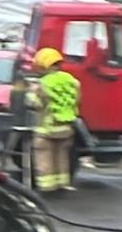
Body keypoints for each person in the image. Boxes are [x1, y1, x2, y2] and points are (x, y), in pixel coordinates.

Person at [23, 47, 81, 194]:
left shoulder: (43, 84)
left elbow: (35, 104)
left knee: (45, 158)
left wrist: (30, 92)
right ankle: (62, 184)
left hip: (46, 129)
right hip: (66, 128)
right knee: (62, 157)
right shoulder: (72, 81)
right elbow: (77, 101)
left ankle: (47, 187)